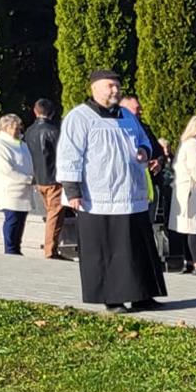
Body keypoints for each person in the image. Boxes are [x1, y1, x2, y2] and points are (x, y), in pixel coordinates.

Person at [58, 68, 165, 312]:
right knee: (108, 250)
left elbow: (144, 140)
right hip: (99, 196)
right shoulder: (79, 117)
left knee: (136, 248)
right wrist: (72, 190)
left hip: (131, 193)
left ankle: (142, 295)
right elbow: (69, 155)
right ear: (94, 88)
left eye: (117, 85)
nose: (115, 90)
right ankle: (113, 298)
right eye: (110, 85)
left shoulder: (127, 115)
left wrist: (144, 151)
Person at [0, 113, 35, 255]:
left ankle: (16, 249)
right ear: (5, 128)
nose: (19, 131)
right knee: (12, 219)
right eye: (15, 128)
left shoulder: (22, 144)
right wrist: (28, 179)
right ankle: (10, 250)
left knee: (20, 220)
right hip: (9, 189)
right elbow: (6, 169)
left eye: (19, 128)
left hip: (24, 190)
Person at [169, 114, 196, 274]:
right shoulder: (194, 145)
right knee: (193, 227)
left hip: (186, 189)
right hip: (192, 190)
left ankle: (188, 260)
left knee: (187, 227)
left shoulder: (187, 144)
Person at [22, 99, 64, 258]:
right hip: (53, 178)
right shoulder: (55, 131)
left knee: (51, 212)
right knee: (54, 214)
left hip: (38, 178)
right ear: (52, 112)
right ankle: (50, 251)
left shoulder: (29, 131)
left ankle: (52, 248)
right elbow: (62, 154)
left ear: (35, 111)